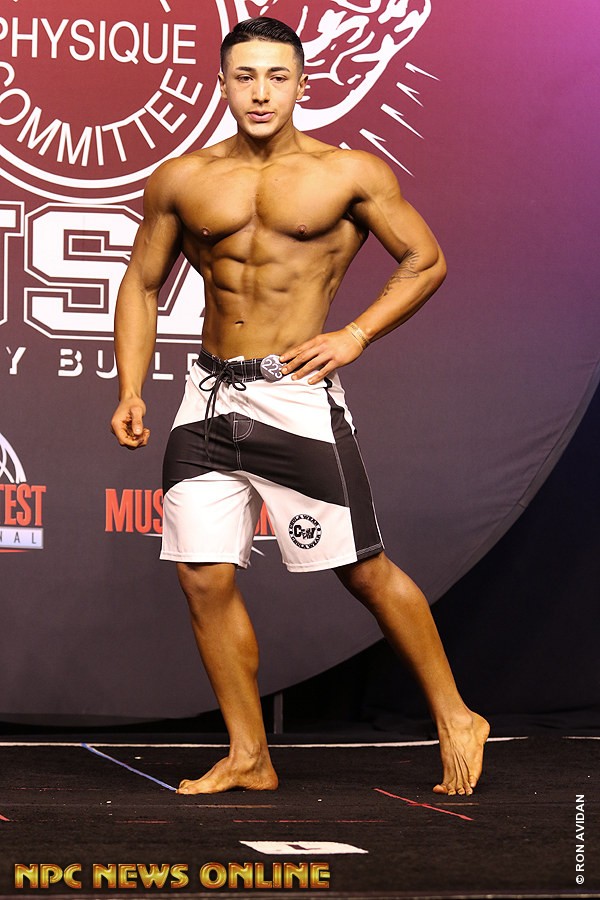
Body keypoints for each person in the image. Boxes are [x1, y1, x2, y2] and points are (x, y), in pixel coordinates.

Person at [111, 16, 489, 797]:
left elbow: (425, 260)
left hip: (296, 397)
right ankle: (249, 754)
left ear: (302, 83)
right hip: (208, 394)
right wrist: (130, 387)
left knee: (363, 571)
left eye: (276, 76)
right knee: (203, 577)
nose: (260, 92)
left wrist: (354, 334)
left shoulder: (348, 172)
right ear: (222, 84)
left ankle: (456, 714)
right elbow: (142, 284)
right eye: (245, 75)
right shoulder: (182, 178)